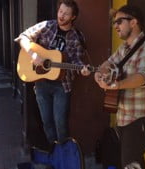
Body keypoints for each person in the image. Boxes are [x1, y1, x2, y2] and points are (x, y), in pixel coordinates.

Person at [94, 5, 145, 169]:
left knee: (129, 163)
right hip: (125, 117)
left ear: (133, 22)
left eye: (119, 21)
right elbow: (107, 64)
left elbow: (142, 77)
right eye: (114, 23)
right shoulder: (123, 49)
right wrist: (98, 74)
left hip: (144, 116)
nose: (116, 26)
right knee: (130, 161)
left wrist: (116, 85)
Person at [15, 0, 90, 144]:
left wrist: (83, 69)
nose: (61, 16)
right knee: (47, 121)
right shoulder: (47, 26)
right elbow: (23, 37)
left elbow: (76, 60)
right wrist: (33, 54)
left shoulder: (77, 37)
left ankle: (64, 154)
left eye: (66, 14)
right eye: (60, 11)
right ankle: (53, 151)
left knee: (60, 122)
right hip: (41, 83)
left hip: (62, 86)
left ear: (73, 17)